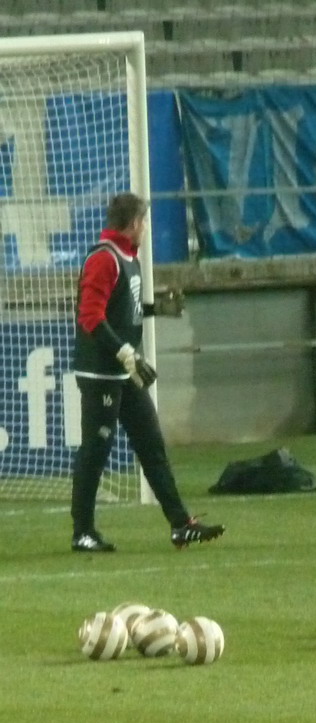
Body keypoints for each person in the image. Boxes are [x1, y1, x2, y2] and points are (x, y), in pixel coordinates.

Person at [71, 192, 225, 552]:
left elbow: (122, 309)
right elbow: (90, 316)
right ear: (134, 223)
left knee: (151, 444)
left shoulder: (126, 257)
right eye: (144, 221)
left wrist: (155, 309)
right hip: (101, 373)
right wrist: (126, 353)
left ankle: (180, 524)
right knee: (96, 449)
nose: (146, 228)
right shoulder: (104, 259)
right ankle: (82, 531)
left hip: (122, 371)